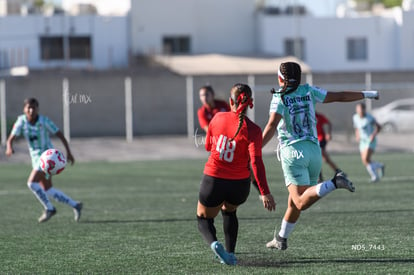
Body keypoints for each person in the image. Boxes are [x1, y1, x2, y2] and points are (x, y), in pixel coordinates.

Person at [262, 62, 379, 250]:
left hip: (294, 152)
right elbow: (340, 96)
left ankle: (334, 182)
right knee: (294, 202)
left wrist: (254, 150)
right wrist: (367, 94)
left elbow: (270, 126)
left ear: (280, 79)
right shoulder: (309, 90)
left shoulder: (279, 97)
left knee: (300, 201)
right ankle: (281, 239)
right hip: (314, 152)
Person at [197, 83, 276, 265]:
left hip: (214, 180)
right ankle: (230, 254)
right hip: (240, 185)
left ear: (230, 102)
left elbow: (209, 146)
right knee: (230, 212)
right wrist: (264, 192)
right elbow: (255, 162)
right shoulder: (255, 129)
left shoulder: (217, 117)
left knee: (203, 218)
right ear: (250, 103)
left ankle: (216, 245)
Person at [5, 98, 83, 223]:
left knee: (31, 183)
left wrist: (69, 152)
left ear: (37, 109)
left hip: (47, 158)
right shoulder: (21, 121)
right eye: (29, 107)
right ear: (24, 109)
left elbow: (60, 134)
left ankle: (49, 209)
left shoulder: (44, 121)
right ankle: (75, 205)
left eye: (34, 107)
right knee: (48, 189)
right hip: (35, 157)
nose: (31, 110)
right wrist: (9, 147)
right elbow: (10, 138)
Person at [353, 103, 384, 182]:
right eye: (358, 109)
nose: (359, 111)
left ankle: (375, 176)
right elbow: (356, 128)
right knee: (365, 161)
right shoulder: (355, 117)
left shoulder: (369, 118)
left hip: (370, 140)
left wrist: (373, 135)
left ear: (364, 109)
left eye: (360, 109)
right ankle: (379, 166)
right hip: (362, 141)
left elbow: (379, 127)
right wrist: (357, 136)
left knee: (366, 158)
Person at [315, 111, 343, 182]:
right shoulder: (306, 116)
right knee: (325, 159)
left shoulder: (319, 116)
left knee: (318, 156)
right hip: (313, 140)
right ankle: (338, 171)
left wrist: (328, 133)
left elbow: (328, 123)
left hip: (321, 139)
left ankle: (320, 177)